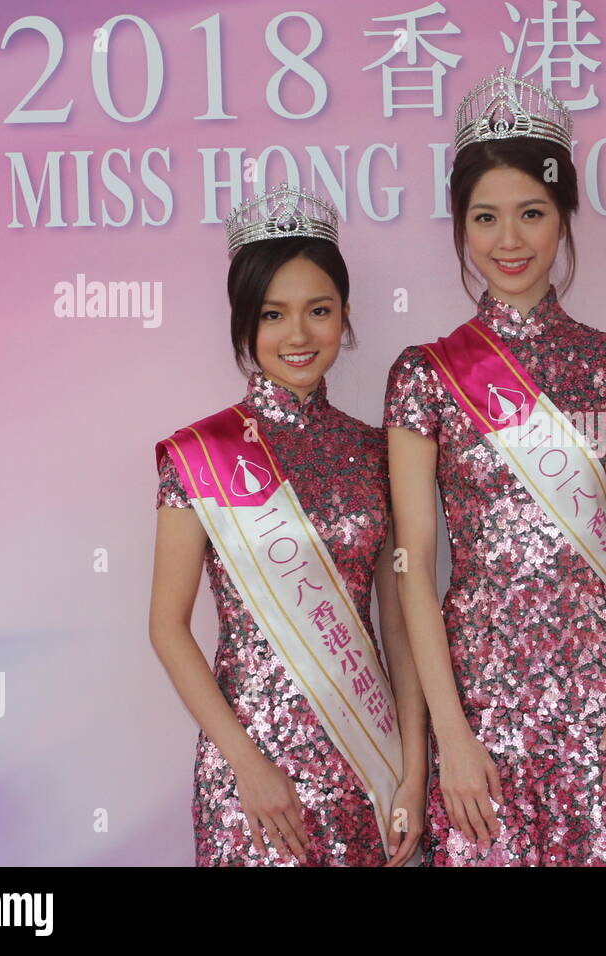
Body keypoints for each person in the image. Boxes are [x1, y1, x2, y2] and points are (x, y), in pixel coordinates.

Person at [383, 68, 606, 866]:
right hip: (478, 694)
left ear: (564, 217)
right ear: (461, 227)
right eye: (486, 218)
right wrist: (450, 730)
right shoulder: (426, 374)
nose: (509, 241)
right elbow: (412, 561)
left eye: (531, 214)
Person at [149, 183, 426, 866]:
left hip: (367, 761)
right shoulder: (200, 454)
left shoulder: (376, 451)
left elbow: (397, 625)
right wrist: (247, 764)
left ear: (346, 317)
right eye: (273, 315)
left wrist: (415, 774)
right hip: (250, 776)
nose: (297, 335)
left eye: (318, 311)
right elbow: (167, 626)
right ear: (244, 323)